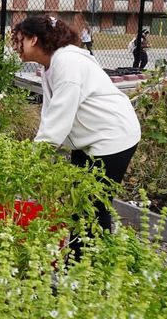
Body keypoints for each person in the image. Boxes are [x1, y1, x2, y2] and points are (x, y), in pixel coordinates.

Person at [12, 15, 141, 252]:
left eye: (19, 40)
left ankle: (86, 270)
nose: (16, 46)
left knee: (92, 205)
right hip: (92, 138)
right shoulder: (52, 64)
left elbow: (58, 121)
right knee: (79, 199)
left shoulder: (67, 63)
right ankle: (79, 261)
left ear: (33, 39)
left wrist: (30, 161)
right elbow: (49, 116)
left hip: (113, 137)